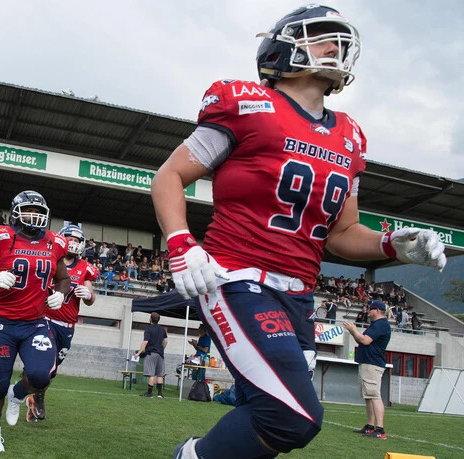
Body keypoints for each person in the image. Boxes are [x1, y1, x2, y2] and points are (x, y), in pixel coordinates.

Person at [154, 6, 447, 458]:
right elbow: (170, 176)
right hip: (236, 277)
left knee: (266, 411)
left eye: (340, 39)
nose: (335, 46)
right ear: (281, 47)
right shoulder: (246, 103)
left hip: (299, 297)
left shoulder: (350, 135)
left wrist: (391, 245)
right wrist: (181, 242)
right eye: (322, 36)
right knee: (293, 417)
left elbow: (342, 231)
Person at [0, 190, 70, 453]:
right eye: (29, 210)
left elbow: (63, 278)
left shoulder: (55, 242)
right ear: (16, 213)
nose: (34, 215)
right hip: (3, 322)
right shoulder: (2, 238)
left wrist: (60, 293)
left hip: (35, 322)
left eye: (38, 211)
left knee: (42, 375)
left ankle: (18, 394)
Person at [25, 224, 98, 423]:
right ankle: (35, 394)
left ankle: (35, 396)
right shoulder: (51, 259)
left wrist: (88, 295)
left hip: (67, 326)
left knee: (53, 371)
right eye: (70, 239)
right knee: (44, 364)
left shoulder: (85, 268)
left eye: (76, 240)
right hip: (45, 320)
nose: (73, 243)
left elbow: (91, 300)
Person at [342, 300, 392, 439]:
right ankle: (370, 426)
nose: (368, 311)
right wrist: (353, 332)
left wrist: (353, 330)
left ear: (377, 310)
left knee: (374, 395)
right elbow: (362, 340)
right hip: (368, 363)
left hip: (372, 363)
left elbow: (365, 340)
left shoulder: (381, 324)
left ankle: (380, 430)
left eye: (371, 309)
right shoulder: (377, 324)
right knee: (369, 396)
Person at [133, 312, 168, 398]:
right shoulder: (162, 329)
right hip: (160, 354)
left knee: (151, 374)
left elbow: (145, 342)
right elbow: (165, 341)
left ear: (151, 319)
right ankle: (160, 394)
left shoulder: (148, 329)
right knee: (160, 374)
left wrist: (138, 353)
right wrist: (162, 349)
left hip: (151, 353)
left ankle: (149, 393)